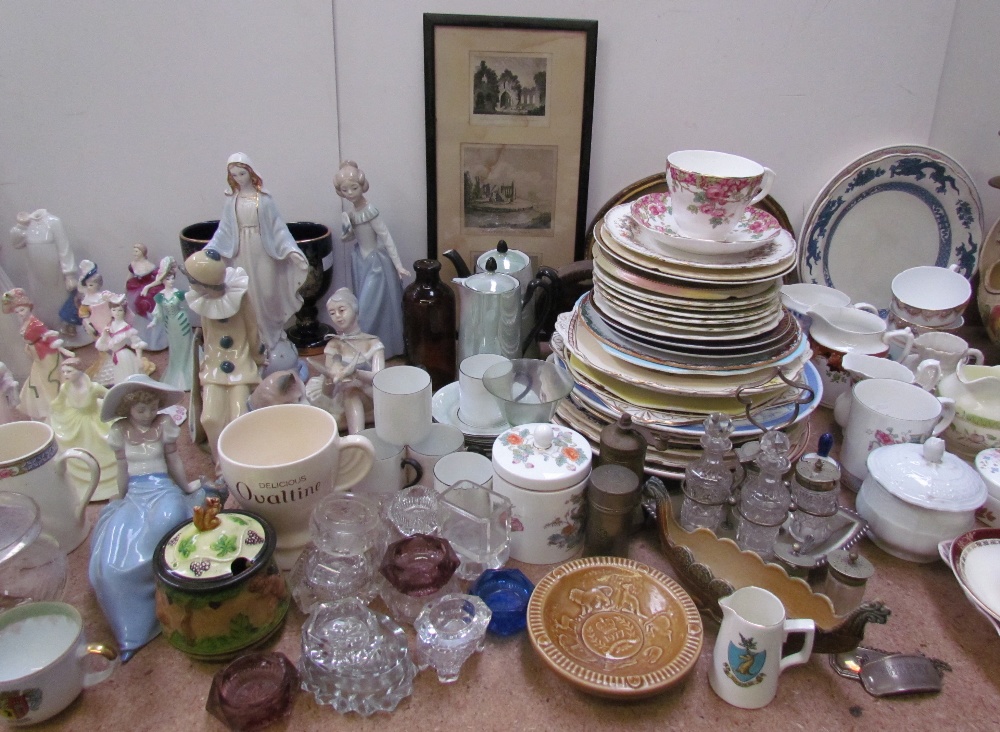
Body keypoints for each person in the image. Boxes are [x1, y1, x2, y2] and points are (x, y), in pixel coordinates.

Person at [89, 375, 215, 661]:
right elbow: (122, 468)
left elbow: (174, 461)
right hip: (136, 492)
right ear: (128, 410)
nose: (147, 414)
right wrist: (121, 499)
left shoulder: (163, 426)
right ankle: (132, 628)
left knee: (168, 523)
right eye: (140, 410)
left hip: (163, 489)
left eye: (152, 407)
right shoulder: (120, 431)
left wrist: (186, 488)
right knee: (113, 559)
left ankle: (172, 588)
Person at [204, 153, 308, 361]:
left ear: (251, 173)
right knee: (248, 294)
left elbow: (278, 228)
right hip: (241, 250)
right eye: (234, 175)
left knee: (268, 292)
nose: (239, 178)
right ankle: (255, 339)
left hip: (263, 249)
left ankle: (274, 334)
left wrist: (291, 250)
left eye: (242, 173)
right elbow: (224, 230)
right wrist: (212, 248)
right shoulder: (231, 202)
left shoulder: (264, 200)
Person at [184, 249, 263, 464]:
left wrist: (257, 358)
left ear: (205, 283)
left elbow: (252, 330)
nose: (191, 284)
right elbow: (208, 334)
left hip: (241, 362)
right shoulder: (202, 301)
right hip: (214, 366)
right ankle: (222, 465)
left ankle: (241, 460)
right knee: (210, 417)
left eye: (193, 280)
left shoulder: (240, 297)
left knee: (239, 415)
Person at [334, 160, 409, 359]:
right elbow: (349, 238)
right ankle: (367, 349)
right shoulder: (351, 213)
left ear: (362, 186)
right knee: (361, 305)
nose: (350, 193)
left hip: (376, 265)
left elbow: (386, 237)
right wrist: (345, 227)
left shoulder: (370, 211)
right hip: (360, 261)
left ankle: (372, 349)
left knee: (367, 308)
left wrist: (398, 265)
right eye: (345, 190)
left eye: (354, 188)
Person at [305, 287, 384, 434]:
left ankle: (355, 437)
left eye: (342, 310)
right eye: (332, 313)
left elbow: (379, 379)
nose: (338, 317)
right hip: (341, 397)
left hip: (371, 394)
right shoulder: (334, 345)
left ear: (354, 309)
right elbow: (327, 392)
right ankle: (357, 437)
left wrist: (356, 373)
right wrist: (330, 377)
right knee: (350, 392)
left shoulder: (372, 343)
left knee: (352, 389)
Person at [8, 209, 85, 343]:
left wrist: (69, 274)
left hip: (55, 272)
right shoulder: (27, 226)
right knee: (43, 303)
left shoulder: (54, 222)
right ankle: (48, 332)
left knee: (61, 301)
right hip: (36, 274)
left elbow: (64, 248)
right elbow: (16, 243)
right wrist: (21, 225)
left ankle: (67, 331)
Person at [48, 359, 118, 501]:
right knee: (76, 447)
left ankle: (109, 483)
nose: (66, 375)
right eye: (64, 372)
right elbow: (58, 403)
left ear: (80, 371)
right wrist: (53, 411)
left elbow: (111, 396)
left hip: (95, 420)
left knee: (104, 446)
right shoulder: (65, 388)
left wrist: (110, 408)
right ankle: (83, 483)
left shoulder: (94, 387)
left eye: (69, 371)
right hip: (75, 420)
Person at [0, 288, 73, 420]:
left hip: (46, 356)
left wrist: (60, 348)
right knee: (38, 380)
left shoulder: (35, 323)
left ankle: (57, 402)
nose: (20, 314)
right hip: (37, 355)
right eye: (17, 312)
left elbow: (48, 335)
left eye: (22, 310)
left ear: (29, 307)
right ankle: (48, 405)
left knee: (49, 379)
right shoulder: (25, 323)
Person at [147, 257, 194, 390]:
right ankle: (177, 371)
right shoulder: (160, 296)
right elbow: (158, 311)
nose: (171, 281)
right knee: (174, 348)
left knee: (185, 346)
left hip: (181, 322)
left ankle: (187, 371)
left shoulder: (178, 293)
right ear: (162, 280)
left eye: (173, 278)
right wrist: (154, 322)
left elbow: (192, 297)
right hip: (170, 324)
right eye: (168, 278)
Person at [95, 294, 148, 385]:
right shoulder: (109, 326)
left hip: (124, 356)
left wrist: (139, 358)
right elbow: (101, 345)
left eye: (120, 310)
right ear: (110, 311)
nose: (117, 313)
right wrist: (104, 334)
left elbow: (137, 343)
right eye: (114, 310)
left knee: (127, 376)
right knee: (118, 376)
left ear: (124, 312)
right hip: (115, 356)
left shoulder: (126, 327)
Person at [125, 243, 167, 351]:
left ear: (142, 252)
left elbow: (159, 278)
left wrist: (147, 287)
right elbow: (129, 276)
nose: (134, 253)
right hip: (135, 288)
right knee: (133, 309)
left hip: (148, 290)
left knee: (147, 307)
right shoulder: (133, 264)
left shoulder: (150, 266)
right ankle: (140, 334)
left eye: (137, 251)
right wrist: (125, 285)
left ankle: (155, 337)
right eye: (134, 251)